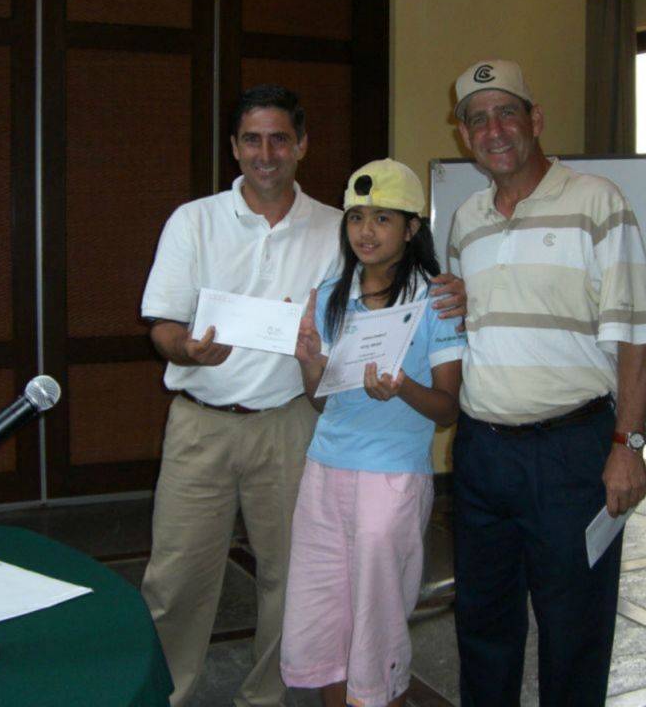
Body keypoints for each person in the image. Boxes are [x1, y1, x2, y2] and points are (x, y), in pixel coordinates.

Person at [140, 85, 465, 707]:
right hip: (201, 423)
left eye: (280, 140)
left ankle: (266, 699)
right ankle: (167, 696)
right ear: (235, 147)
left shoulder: (334, 227)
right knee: (176, 578)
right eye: (253, 140)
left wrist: (450, 290)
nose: (266, 154)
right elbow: (161, 324)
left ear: (302, 145)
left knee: (292, 580)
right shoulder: (193, 221)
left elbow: (395, 281)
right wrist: (186, 347)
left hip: (294, 424)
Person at [447, 60, 646, 706]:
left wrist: (628, 445)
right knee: (483, 625)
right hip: (482, 454)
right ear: (464, 136)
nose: (494, 130)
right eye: (478, 120)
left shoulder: (598, 201)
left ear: (535, 120)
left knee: (574, 632)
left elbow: (635, 336)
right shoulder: (465, 219)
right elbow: (463, 324)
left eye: (507, 113)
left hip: (570, 454)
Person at [280, 159, 465, 707]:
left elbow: (447, 409)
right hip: (326, 470)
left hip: (392, 477)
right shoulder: (331, 294)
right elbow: (322, 402)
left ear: (411, 228)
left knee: (376, 626)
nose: (366, 231)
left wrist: (402, 386)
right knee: (325, 621)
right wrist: (309, 362)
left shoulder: (435, 300)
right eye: (357, 217)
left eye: (383, 218)